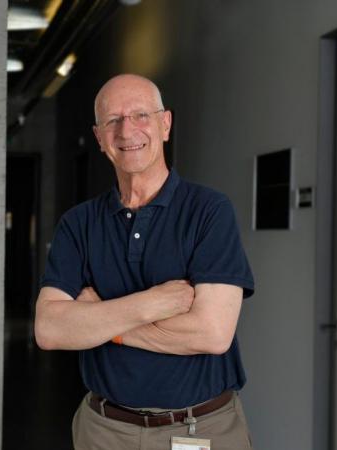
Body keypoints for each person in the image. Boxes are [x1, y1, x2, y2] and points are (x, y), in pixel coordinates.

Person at [34, 74, 254, 450]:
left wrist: (102, 321)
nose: (127, 130)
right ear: (100, 137)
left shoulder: (209, 211)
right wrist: (150, 303)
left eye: (140, 115)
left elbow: (212, 334)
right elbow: (50, 330)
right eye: (113, 120)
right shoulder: (78, 223)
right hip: (104, 431)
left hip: (199, 428)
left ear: (165, 124)